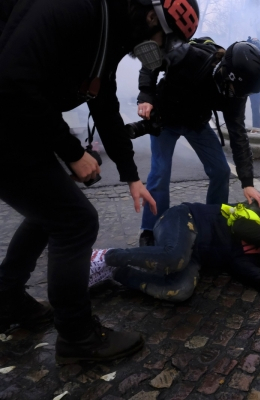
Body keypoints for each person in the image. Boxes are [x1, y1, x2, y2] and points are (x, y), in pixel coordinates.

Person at [0, 0, 200, 363]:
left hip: (16, 117)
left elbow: (102, 99)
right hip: (7, 112)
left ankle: (6, 298)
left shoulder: (112, 28)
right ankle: (78, 338)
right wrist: (73, 152)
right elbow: (13, 78)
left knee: (51, 210)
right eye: (164, 42)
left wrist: (131, 175)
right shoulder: (79, 9)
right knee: (75, 221)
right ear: (152, 16)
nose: (158, 55)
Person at [136, 37, 260, 247]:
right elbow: (151, 58)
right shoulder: (190, 55)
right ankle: (151, 229)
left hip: (197, 122)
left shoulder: (238, 91)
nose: (235, 95)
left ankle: (214, 224)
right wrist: (145, 94)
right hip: (166, 118)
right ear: (226, 72)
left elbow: (238, 135)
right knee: (160, 172)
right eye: (234, 89)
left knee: (221, 170)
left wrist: (248, 183)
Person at [88, 200, 260, 302]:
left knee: (180, 290)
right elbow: (241, 226)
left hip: (193, 255)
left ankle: (115, 272)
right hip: (184, 218)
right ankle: (106, 256)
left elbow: (239, 266)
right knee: (174, 257)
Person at [247, 37, 260, 130]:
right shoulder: (259, 57)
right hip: (252, 87)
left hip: (254, 87)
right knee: (255, 110)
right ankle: (256, 128)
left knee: (255, 110)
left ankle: (256, 128)